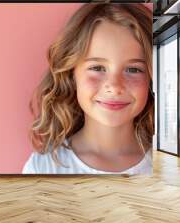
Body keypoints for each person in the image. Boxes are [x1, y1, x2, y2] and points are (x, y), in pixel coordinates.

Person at [22, 3, 153, 175]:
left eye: (133, 69)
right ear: (71, 74)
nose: (114, 87)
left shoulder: (175, 167)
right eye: (97, 68)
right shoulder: (42, 168)